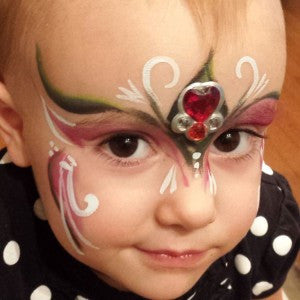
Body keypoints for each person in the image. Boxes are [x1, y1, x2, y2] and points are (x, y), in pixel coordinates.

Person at [0, 0, 299, 299]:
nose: (195, 209)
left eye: (230, 139)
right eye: (125, 145)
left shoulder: (264, 228)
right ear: (18, 127)